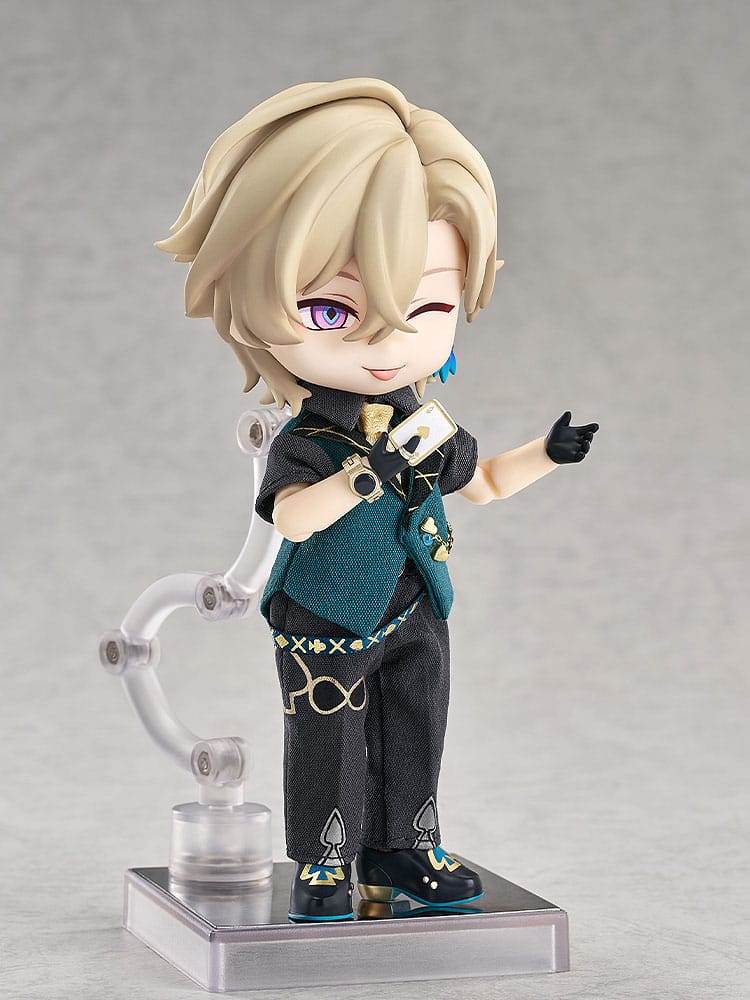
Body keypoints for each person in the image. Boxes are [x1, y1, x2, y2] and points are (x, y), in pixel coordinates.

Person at [157, 78, 598, 922]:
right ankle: (326, 859)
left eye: (426, 305)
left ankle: (404, 846)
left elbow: (483, 483)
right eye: (332, 308)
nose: (387, 342)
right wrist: (363, 478)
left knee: (416, 724)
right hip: (325, 610)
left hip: (418, 604)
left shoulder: (425, 423)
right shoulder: (308, 439)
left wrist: (548, 453)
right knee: (328, 735)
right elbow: (290, 517)